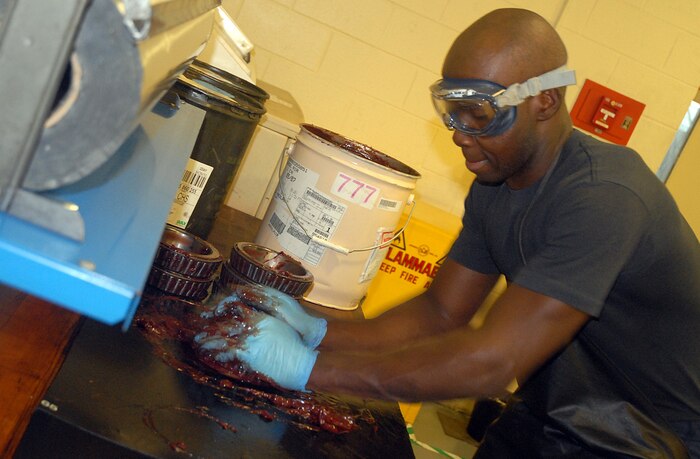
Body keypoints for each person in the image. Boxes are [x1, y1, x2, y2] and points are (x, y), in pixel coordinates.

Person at [204, 8, 700, 458]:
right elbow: (440, 312)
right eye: (451, 113)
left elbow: (493, 360)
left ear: (545, 100)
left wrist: (308, 371)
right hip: (554, 410)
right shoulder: (496, 179)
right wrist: (320, 333)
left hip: (652, 439)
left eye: (480, 115)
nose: (461, 134)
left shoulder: (604, 196)